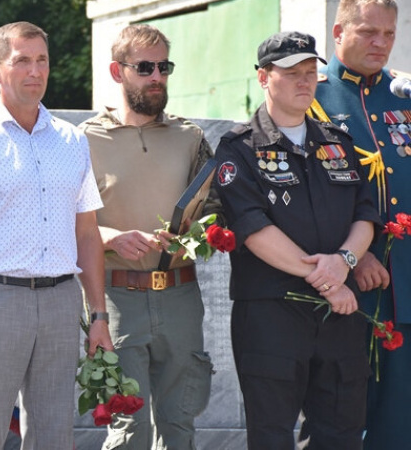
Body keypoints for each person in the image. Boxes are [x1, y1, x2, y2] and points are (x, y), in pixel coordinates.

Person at [0, 21, 112, 450]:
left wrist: (99, 316)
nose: (36, 71)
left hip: (60, 301)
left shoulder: (72, 140)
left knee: (54, 433)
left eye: (42, 60)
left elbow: (86, 232)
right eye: (22, 61)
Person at [215, 31, 381, 449]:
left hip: (338, 319)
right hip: (273, 316)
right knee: (272, 437)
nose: (305, 81)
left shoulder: (339, 145)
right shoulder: (238, 149)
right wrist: (329, 279)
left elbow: (365, 216)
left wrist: (343, 261)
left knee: (341, 435)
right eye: (291, 73)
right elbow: (253, 229)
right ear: (263, 78)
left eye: (311, 72)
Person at [79, 24, 214, 450]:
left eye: (164, 67)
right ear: (118, 72)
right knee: (128, 433)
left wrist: (195, 237)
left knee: (180, 429)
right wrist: (111, 237)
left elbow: (213, 210)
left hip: (181, 297)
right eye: (145, 67)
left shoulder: (191, 137)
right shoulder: (83, 139)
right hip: (117, 302)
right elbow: (62, 220)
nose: (157, 76)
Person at [308, 1, 410, 447]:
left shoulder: (404, 95)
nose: (381, 44)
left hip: (405, 281)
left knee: (400, 413)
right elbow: (303, 194)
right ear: (338, 32)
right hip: (347, 283)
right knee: (341, 414)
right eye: (369, 32)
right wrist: (359, 253)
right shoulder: (310, 94)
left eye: (388, 34)